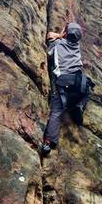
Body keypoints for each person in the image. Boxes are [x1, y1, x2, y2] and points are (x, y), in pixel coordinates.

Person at [41, 22, 93, 156]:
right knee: (88, 90)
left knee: (56, 111)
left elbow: (49, 41)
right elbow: (72, 35)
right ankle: (79, 106)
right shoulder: (76, 46)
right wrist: (63, 34)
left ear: (65, 33)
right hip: (79, 83)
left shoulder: (57, 44)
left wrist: (59, 35)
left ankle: (48, 143)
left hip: (63, 82)